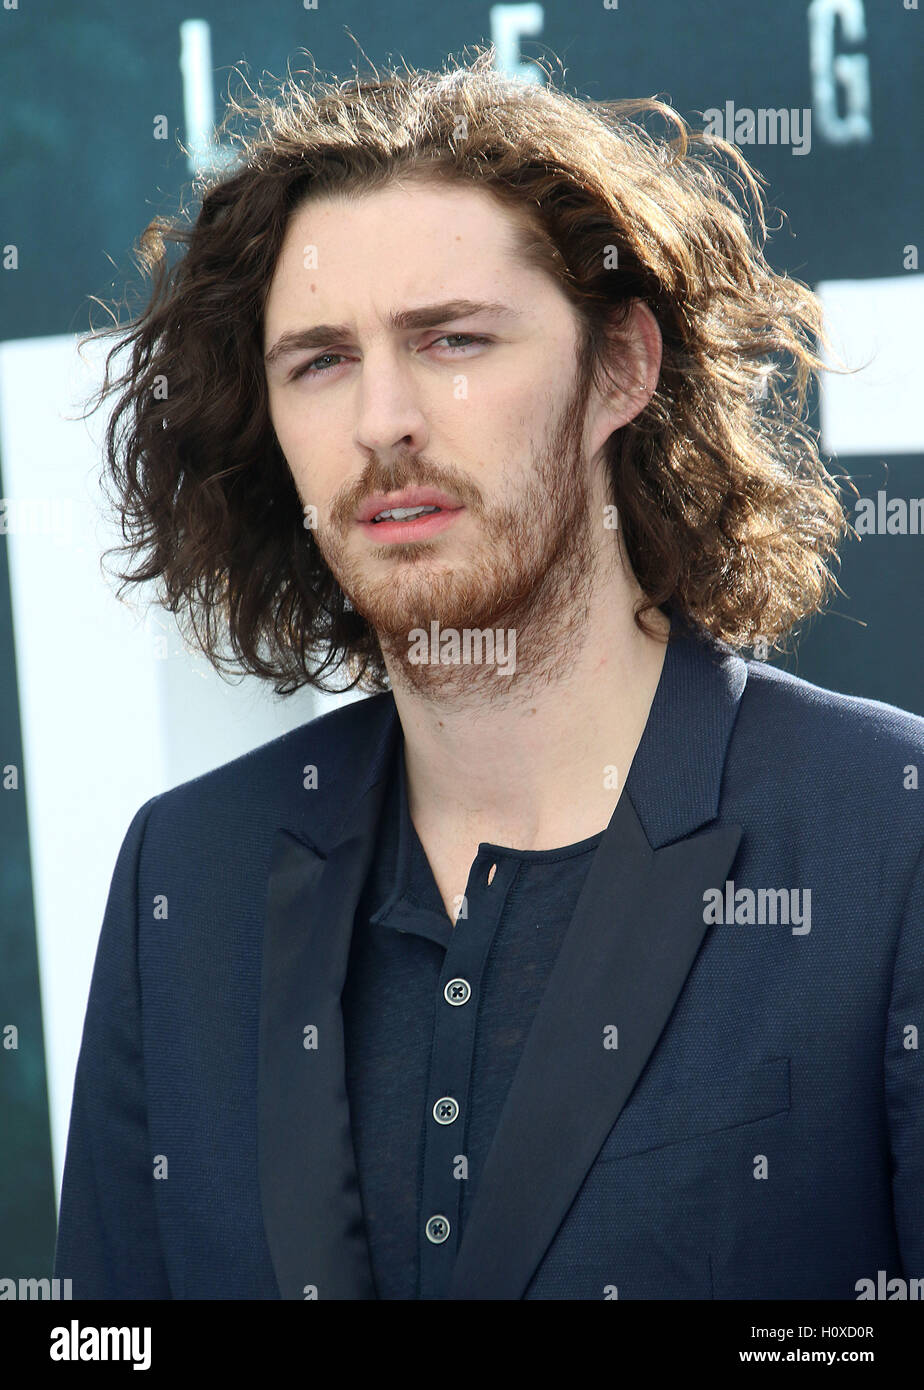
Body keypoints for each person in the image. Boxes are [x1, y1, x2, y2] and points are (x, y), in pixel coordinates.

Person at [54, 50, 923, 1300]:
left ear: (620, 367)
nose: (382, 420)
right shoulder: (187, 876)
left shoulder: (884, 836)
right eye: (320, 361)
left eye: (451, 340)